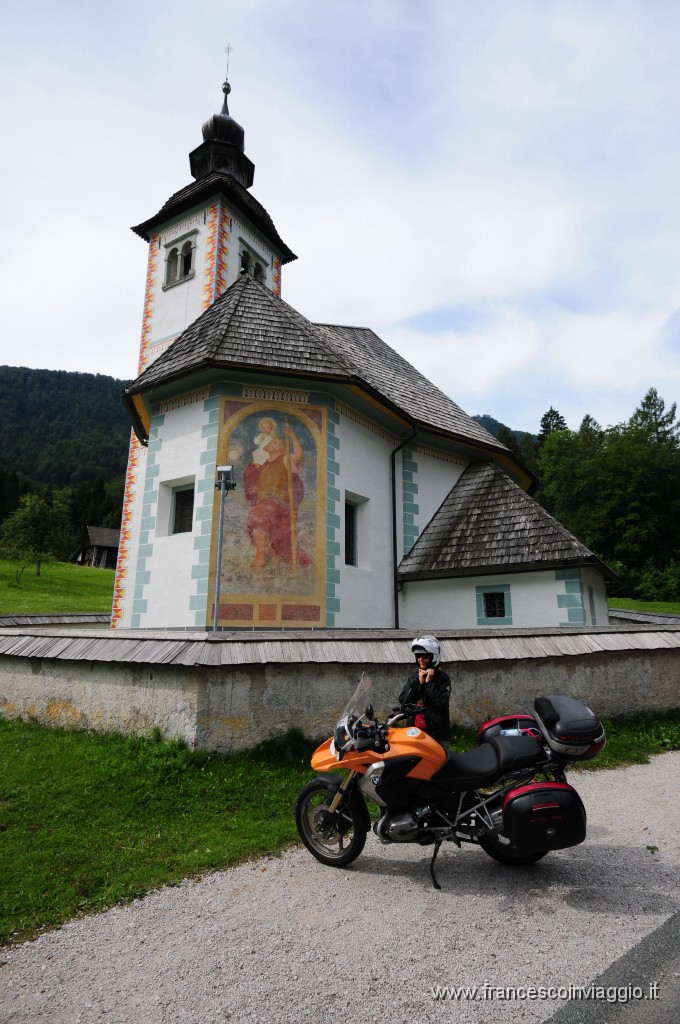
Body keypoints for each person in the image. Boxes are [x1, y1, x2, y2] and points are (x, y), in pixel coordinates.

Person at [398, 636, 451, 744]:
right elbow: (403, 700)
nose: (420, 659)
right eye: (418, 656)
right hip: (414, 732)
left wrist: (429, 683)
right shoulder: (414, 677)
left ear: (433, 656)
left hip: (437, 735)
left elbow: (440, 702)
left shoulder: (442, 678)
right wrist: (419, 683)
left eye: (424, 656)